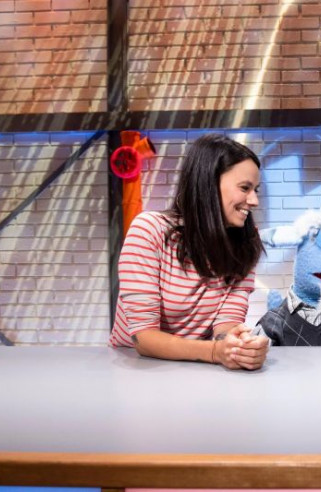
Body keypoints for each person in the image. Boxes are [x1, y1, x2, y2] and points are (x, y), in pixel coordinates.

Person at [109, 133, 270, 370]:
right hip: (134, 367)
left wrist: (238, 346)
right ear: (208, 184)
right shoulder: (149, 230)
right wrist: (215, 352)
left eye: (256, 189)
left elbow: (227, 323)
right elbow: (143, 338)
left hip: (199, 368)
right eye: (245, 188)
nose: (254, 200)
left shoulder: (246, 241)